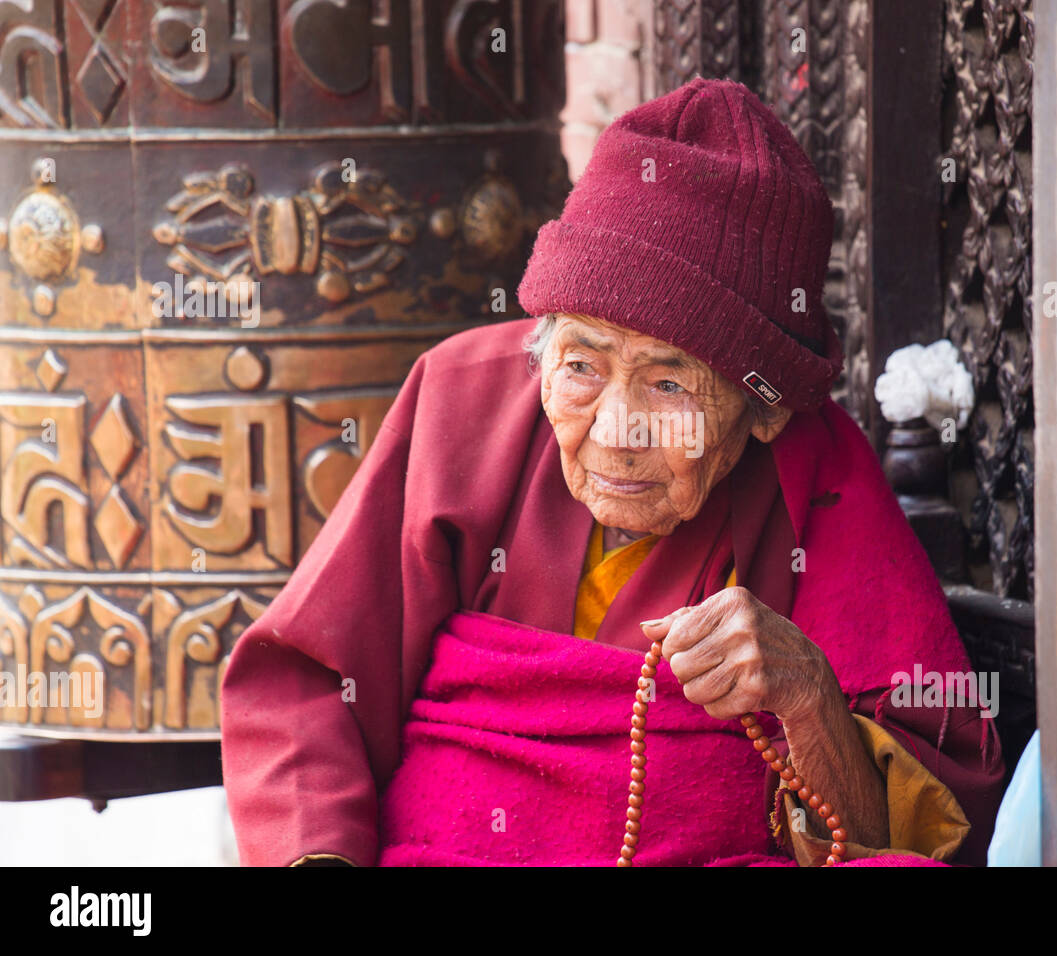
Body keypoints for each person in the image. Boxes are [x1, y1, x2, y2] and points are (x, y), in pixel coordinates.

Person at [220, 77, 1004, 867]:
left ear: (763, 411)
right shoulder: (461, 400)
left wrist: (807, 696)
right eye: (582, 366)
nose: (616, 433)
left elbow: (916, 833)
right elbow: (304, 685)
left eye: (670, 384)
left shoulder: (818, 476)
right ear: (543, 347)